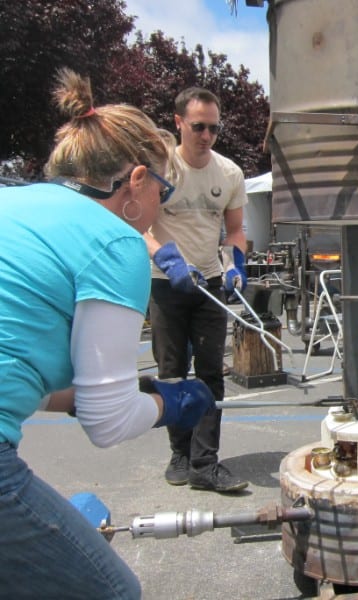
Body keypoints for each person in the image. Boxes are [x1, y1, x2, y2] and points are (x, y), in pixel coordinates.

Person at [0, 69, 214, 598]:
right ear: (137, 180)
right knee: (112, 590)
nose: (160, 205)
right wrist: (172, 402)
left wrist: (79, 399)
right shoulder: (116, 242)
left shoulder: (15, 204)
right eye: (162, 189)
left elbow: (15, 366)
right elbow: (109, 423)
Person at [146, 87, 250, 493]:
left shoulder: (230, 174)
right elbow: (140, 227)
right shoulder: (160, 167)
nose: (206, 135)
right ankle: (180, 454)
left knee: (209, 374)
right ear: (178, 123)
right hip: (166, 283)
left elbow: (237, 230)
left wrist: (234, 266)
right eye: (198, 127)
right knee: (171, 374)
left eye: (213, 127)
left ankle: (205, 463)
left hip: (207, 284)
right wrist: (168, 259)